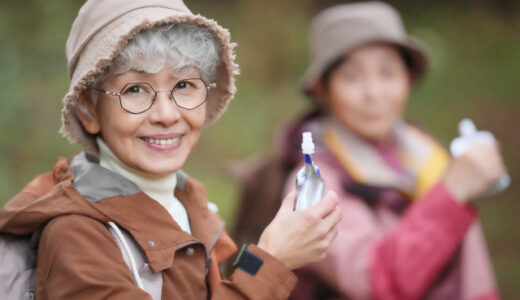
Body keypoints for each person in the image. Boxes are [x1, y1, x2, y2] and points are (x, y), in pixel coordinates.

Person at [0, 0, 342, 299]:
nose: (166, 115)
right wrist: (274, 260)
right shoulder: (78, 236)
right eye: (135, 89)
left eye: (183, 85)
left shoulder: (188, 200)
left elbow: (227, 286)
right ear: (89, 110)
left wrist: (264, 253)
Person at [232, 2, 505, 299]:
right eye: (352, 77)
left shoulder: (424, 154)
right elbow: (376, 283)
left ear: (408, 79)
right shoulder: (315, 180)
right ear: (323, 89)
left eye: (388, 73)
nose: (373, 94)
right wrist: (452, 192)